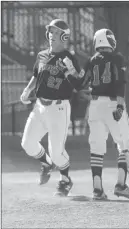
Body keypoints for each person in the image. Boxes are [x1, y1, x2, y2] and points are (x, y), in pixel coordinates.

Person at [73, 28, 129, 200]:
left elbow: (80, 83)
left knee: (96, 148)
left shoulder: (91, 61)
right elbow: (119, 83)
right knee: (125, 145)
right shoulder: (117, 58)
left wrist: (69, 72)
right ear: (110, 41)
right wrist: (119, 106)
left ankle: (97, 189)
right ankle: (121, 185)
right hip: (112, 104)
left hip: (94, 106)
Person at [20, 19, 81, 196]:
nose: (51, 35)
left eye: (55, 32)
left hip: (59, 108)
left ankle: (65, 180)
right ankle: (46, 163)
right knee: (28, 144)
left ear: (64, 36)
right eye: (50, 32)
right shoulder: (42, 55)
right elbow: (36, 75)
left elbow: (78, 83)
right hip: (39, 107)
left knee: (57, 153)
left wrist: (70, 70)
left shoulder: (69, 58)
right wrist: (27, 90)